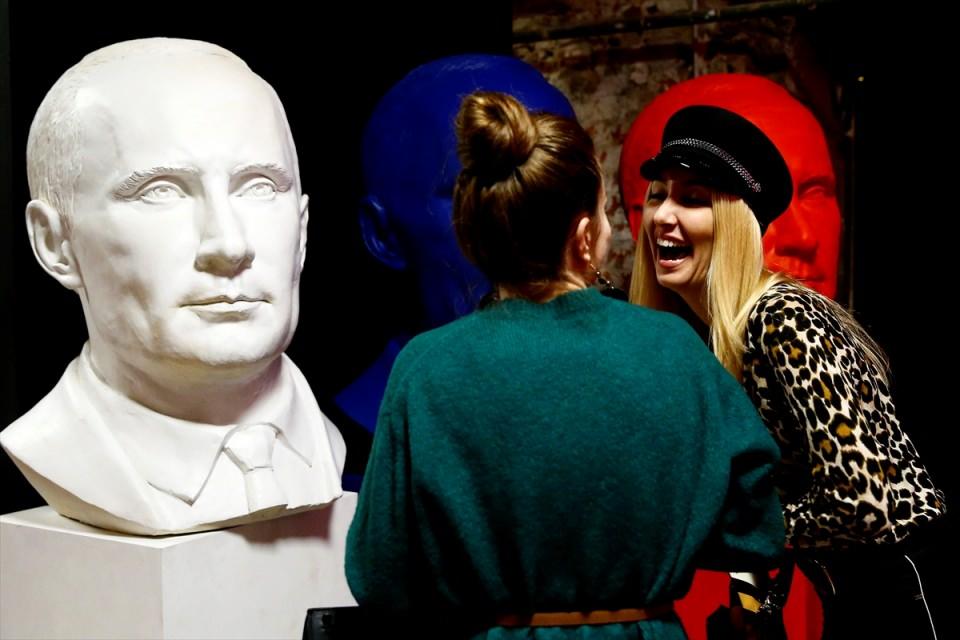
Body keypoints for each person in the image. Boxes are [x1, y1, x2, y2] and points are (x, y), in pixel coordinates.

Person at [346, 91, 784, 638]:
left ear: (475, 234)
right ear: (583, 236)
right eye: (603, 213)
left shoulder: (426, 369)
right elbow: (756, 529)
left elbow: (378, 573)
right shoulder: (674, 347)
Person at [0, 38, 345, 535]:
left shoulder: (335, 450)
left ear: (303, 228)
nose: (229, 245)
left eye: (259, 186)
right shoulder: (52, 448)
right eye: (160, 192)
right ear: (56, 244)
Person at [631, 104, 946, 638]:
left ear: (735, 224)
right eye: (658, 194)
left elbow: (864, 503)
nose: (663, 215)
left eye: (693, 199)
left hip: (906, 589)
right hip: (848, 591)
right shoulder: (714, 334)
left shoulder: (781, 317)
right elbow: (769, 490)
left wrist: (730, 537)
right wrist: (749, 598)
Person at [335, 54, 577, 448]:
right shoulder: (344, 456)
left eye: (557, 188)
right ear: (383, 233)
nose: (535, 228)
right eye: (483, 193)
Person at [620, 74, 842, 299]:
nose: (804, 238)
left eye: (815, 193)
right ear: (641, 224)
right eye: (659, 196)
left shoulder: (787, 315)